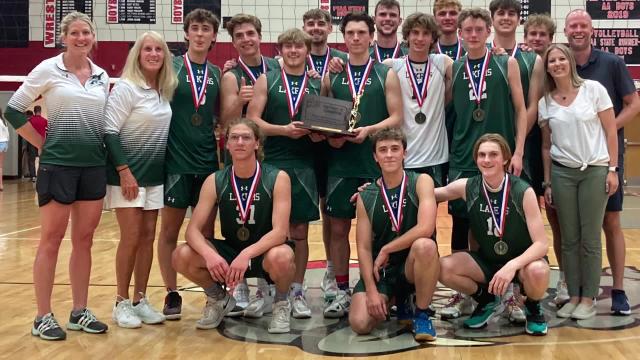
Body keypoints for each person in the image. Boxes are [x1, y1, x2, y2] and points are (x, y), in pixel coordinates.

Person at [4, 11, 109, 340]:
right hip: (57, 167)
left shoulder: (102, 76)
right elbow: (12, 109)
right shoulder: (48, 69)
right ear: (64, 37)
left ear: (93, 38)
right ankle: (42, 316)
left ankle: (79, 310)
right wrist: (40, 144)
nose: (81, 38)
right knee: (50, 241)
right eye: (75, 33)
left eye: (86, 33)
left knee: (85, 241)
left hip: (92, 166)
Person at [441, 7, 527, 320]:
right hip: (464, 157)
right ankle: (466, 294)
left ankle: (512, 294)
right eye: (468, 30)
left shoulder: (508, 62)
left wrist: (516, 152)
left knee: (506, 226)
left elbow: (521, 109)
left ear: (488, 31)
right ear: (460, 34)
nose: (474, 34)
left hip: (499, 157)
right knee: (463, 225)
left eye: (480, 29)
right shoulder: (454, 67)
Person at [172, 118, 295, 333]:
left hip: (262, 253)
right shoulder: (215, 180)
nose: (240, 142)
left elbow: (280, 233)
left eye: (246, 137)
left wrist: (246, 254)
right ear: (226, 144)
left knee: (282, 257)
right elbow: (192, 231)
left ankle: (281, 304)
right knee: (181, 255)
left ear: (257, 143)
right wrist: (211, 256)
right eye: (234, 138)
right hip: (230, 251)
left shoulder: (277, 177)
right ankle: (218, 299)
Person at [320, 12, 403, 318]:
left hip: (375, 164)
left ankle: (388, 288)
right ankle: (341, 291)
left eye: (361, 33)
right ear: (344, 38)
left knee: (380, 231)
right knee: (339, 228)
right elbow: (325, 118)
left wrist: (369, 131)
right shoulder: (334, 74)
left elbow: (397, 116)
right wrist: (332, 138)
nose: (355, 38)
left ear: (371, 36)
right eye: (350, 33)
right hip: (341, 163)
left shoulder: (386, 73)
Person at [565, 9, 640, 315]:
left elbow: (633, 103)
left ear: (591, 30)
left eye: (583, 25)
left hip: (606, 157)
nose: (578, 30)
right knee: (575, 229)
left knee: (610, 222)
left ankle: (619, 288)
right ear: (566, 31)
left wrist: (608, 130)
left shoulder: (612, 63)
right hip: (571, 160)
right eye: (573, 26)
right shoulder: (559, 62)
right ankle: (579, 289)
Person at [437, 133, 550, 336]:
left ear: (505, 158)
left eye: (493, 154)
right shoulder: (467, 186)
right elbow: (429, 193)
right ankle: (486, 299)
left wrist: (512, 265)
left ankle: (532, 306)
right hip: (488, 262)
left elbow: (541, 244)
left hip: (521, 263)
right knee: (443, 268)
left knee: (539, 271)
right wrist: (374, 189)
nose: (487, 160)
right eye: (482, 155)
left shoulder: (523, 191)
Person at [539, 44, 618, 320]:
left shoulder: (593, 90)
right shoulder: (545, 101)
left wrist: (612, 169)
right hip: (563, 174)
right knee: (569, 239)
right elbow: (547, 147)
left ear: (570, 62)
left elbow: (610, 131)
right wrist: (547, 183)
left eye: (562, 58)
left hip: (594, 171)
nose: (557, 63)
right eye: (552, 60)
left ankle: (589, 297)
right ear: (547, 67)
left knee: (590, 238)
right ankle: (573, 295)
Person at [246, 28, 321, 319]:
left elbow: (327, 121)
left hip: (304, 165)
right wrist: (283, 131)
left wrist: (318, 135)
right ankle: (264, 290)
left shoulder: (318, 83)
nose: (293, 51)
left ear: (306, 50)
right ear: (280, 50)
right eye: (288, 46)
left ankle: (297, 290)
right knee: (267, 231)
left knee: (299, 232)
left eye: (298, 46)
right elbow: (252, 120)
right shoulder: (267, 79)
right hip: (272, 164)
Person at [105, 31, 177, 328]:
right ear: (138, 54)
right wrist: (124, 171)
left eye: (158, 49)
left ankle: (140, 299)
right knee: (131, 237)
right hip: (128, 176)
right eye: (147, 49)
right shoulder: (126, 88)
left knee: (148, 237)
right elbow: (109, 131)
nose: (153, 54)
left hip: (154, 176)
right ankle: (121, 302)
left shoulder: (162, 89)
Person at [157, 8, 223, 320]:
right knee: (169, 231)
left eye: (205, 29)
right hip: (175, 163)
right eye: (194, 28)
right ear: (186, 33)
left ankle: (214, 294)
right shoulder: (169, 67)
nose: (199, 34)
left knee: (205, 233)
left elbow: (222, 116)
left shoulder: (217, 74)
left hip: (208, 162)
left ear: (213, 36)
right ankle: (171, 293)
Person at [349, 128, 439, 341]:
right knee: (360, 323)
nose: (389, 154)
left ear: (404, 153)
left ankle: (422, 313)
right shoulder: (366, 196)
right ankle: (397, 297)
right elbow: (362, 247)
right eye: (383, 150)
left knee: (425, 245)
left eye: (395, 149)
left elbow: (426, 227)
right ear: (375, 157)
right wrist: (371, 291)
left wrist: (388, 248)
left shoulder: (421, 181)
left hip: (411, 263)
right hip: (384, 271)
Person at [220, 13, 282, 317]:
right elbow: (224, 119)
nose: (246, 39)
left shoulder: (275, 68)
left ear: (259, 36)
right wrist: (238, 100)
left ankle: (265, 286)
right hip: (240, 149)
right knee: (237, 218)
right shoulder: (231, 75)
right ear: (233, 42)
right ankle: (240, 285)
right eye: (239, 36)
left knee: (266, 218)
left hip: (270, 151)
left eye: (250, 34)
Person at [489, 0, 546, 323]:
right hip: (487, 150)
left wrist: (517, 147)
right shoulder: (481, 56)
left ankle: (520, 291)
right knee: (484, 218)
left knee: (519, 220)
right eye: (501, 14)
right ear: (494, 19)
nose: (507, 18)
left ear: (517, 19)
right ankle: (489, 290)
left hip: (518, 148)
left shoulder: (531, 58)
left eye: (512, 13)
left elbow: (531, 105)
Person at [301, 9, 348, 299]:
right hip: (302, 146)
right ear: (304, 27)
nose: (316, 28)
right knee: (300, 214)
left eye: (321, 23)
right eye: (311, 24)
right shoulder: (289, 58)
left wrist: (326, 82)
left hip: (331, 145)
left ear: (330, 28)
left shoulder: (339, 62)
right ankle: (295, 277)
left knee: (329, 212)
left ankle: (331, 269)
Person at [522, 12, 567, 306]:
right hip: (526, 145)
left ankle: (564, 279)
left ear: (551, 39)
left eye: (543, 35)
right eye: (532, 34)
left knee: (555, 216)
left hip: (552, 148)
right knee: (523, 218)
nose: (537, 39)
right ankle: (522, 279)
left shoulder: (560, 65)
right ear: (525, 38)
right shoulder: (518, 60)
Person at [0, 109, 8, 191]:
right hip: (4, 143)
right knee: (0, 166)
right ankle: (1, 185)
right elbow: (7, 134)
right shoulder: (3, 121)